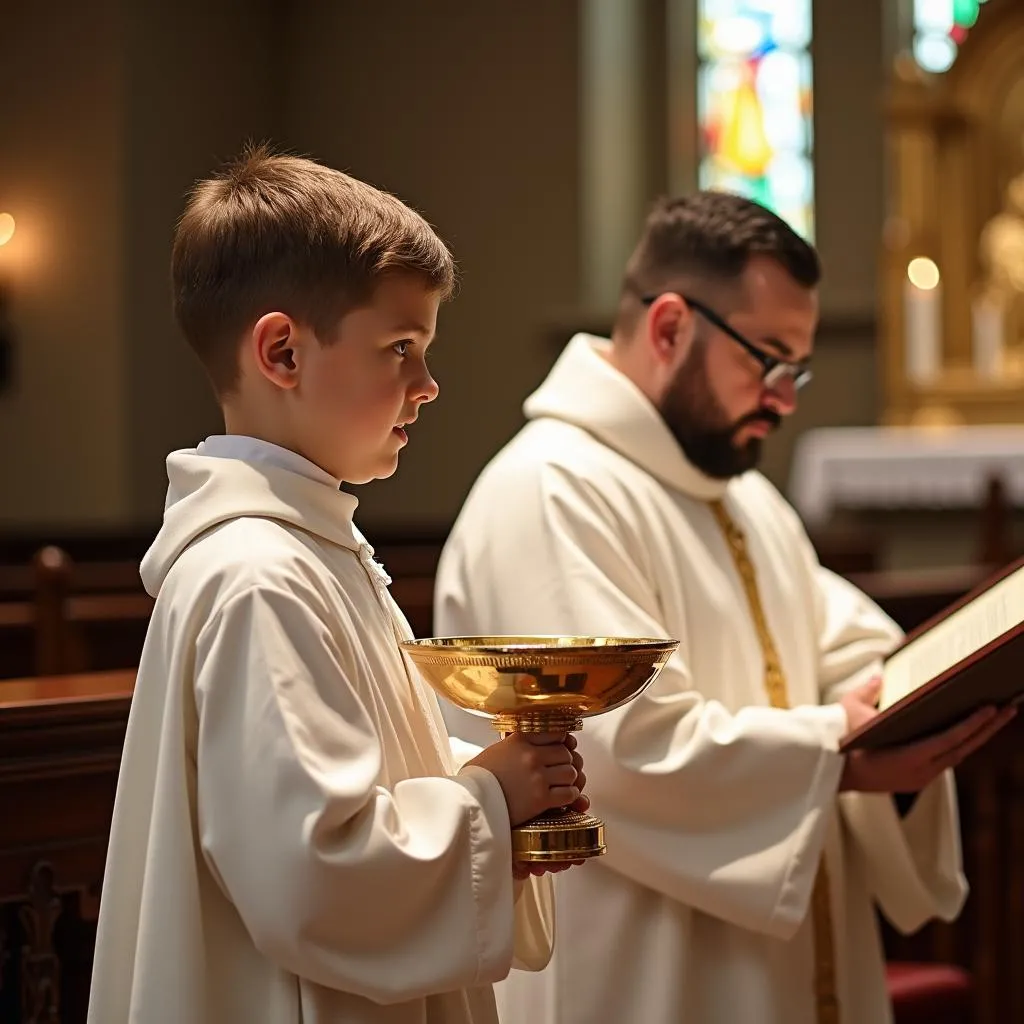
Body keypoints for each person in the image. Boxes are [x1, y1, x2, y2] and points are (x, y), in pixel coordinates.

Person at [434, 191, 1016, 1024]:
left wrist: (911, 699)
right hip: (641, 979)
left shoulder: (742, 502)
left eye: (798, 368)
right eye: (769, 360)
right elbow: (615, 751)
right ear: (670, 326)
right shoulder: (552, 491)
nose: (785, 398)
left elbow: (848, 644)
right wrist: (836, 755)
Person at [87, 145, 588, 1024]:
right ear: (281, 350)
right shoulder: (257, 578)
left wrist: (500, 803)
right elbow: (312, 871)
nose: (428, 386)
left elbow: (350, 799)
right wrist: (490, 800)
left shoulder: (314, 549)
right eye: (400, 348)